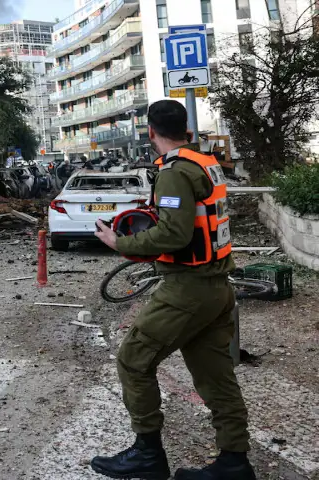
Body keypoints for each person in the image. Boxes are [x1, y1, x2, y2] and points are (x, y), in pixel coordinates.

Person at [92, 100, 255, 480]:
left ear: (150, 132)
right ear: (187, 130)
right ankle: (235, 463)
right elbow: (191, 221)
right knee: (217, 378)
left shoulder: (174, 172)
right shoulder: (205, 163)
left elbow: (174, 234)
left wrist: (120, 243)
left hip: (188, 290)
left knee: (133, 359)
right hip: (217, 287)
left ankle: (147, 455)